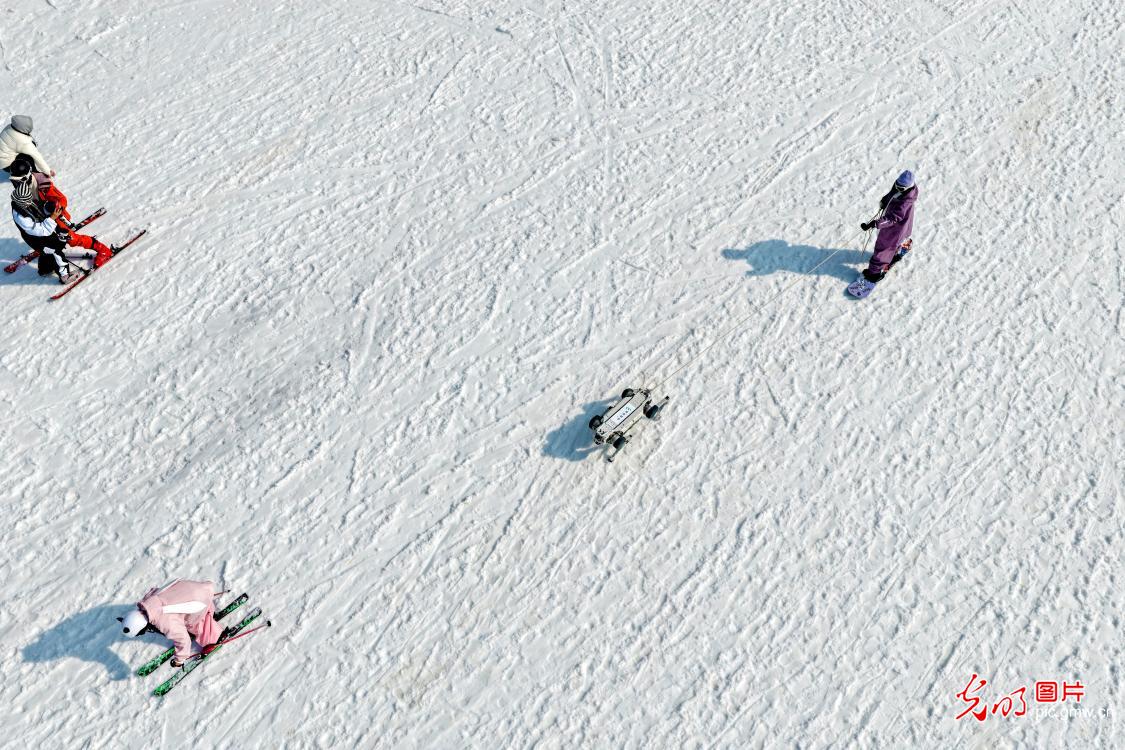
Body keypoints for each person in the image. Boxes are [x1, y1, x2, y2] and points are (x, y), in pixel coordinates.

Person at [9, 156, 111, 283]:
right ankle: (47, 264)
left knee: (70, 238)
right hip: (41, 223)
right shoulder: (21, 191)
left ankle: (102, 249)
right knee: (48, 246)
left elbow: (62, 200)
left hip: (57, 218)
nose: (16, 183)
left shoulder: (43, 184)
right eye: (14, 180)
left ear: (28, 176)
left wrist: (52, 208)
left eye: (19, 180)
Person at [118, 579, 227, 667]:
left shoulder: (165, 621)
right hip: (195, 588)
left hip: (200, 599)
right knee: (186, 610)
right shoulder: (148, 601)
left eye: (141, 632)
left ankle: (216, 638)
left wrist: (180, 659)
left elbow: (183, 639)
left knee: (194, 625)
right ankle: (208, 607)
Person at [859, 170, 918, 283]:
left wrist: (876, 223)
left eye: (901, 188)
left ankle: (874, 273)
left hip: (895, 229)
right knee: (892, 244)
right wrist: (885, 201)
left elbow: (894, 218)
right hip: (901, 225)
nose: (898, 188)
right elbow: (893, 192)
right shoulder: (903, 189)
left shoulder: (906, 202)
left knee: (883, 248)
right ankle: (897, 249)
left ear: (909, 187)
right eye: (897, 185)